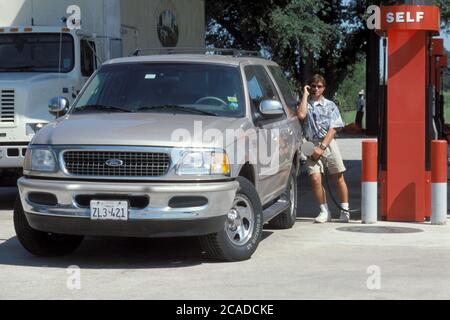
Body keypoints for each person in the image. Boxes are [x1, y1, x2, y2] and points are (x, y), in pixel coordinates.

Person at [297, 74, 350, 223]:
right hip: (309, 143)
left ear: (323, 88)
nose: (315, 89)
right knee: (315, 178)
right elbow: (301, 115)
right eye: (313, 86)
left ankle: (345, 210)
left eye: (319, 86)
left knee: (338, 176)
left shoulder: (330, 105)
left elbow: (334, 128)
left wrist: (322, 146)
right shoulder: (304, 103)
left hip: (327, 142)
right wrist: (305, 95)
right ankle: (324, 211)